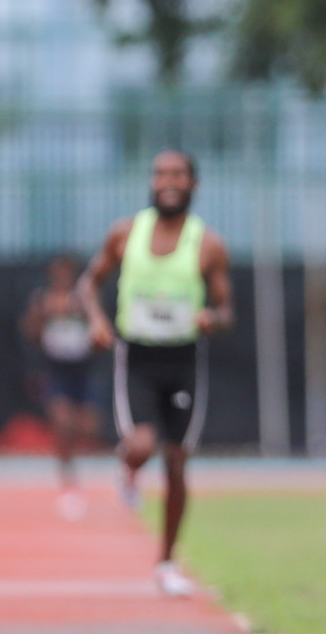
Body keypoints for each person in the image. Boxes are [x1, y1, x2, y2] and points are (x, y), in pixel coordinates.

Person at [78, 149, 234, 597]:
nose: (168, 180)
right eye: (160, 173)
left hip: (184, 359)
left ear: (193, 184)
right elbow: (89, 284)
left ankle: (166, 561)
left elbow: (226, 310)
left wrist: (213, 319)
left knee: (178, 462)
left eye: (178, 174)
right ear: (151, 181)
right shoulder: (126, 234)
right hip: (138, 357)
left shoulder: (209, 245)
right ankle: (127, 468)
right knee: (143, 443)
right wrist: (95, 320)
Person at [22, 254, 100, 520]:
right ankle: (69, 485)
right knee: (62, 423)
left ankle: (88, 468)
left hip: (83, 370)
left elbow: (100, 334)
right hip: (56, 371)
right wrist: (41, 314)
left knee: (88, 427)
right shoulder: (43, 300)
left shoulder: (85, 300)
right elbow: (31, 335)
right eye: (59, 273)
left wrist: (83, 314)